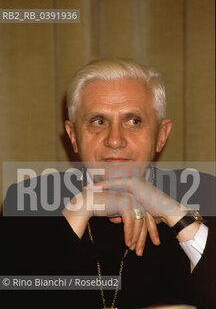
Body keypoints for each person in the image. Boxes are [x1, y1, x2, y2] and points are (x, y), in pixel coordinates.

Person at [1, 58, 215, 309]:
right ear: (73, 136)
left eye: (133, 121)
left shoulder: (205, 192)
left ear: (161, 135)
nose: (115, 140)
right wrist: (82, 207)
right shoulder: (27, 198)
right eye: (98, 121)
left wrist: (174, 214)